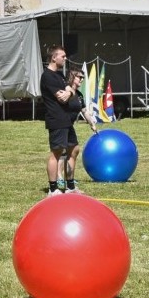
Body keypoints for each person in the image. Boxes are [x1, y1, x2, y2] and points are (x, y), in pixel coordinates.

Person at [40, 47, 97, 196]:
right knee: (56, 153)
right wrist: (68, 92)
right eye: (63, 56)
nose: (65, 59)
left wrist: (69, 91)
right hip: (57, 119)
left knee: (74, 150)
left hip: (66, 120)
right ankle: (53, 189)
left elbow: (69, 91)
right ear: (54, 58)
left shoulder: (59, 75)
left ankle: (70, 187)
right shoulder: (47, 76)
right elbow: (63, 97)